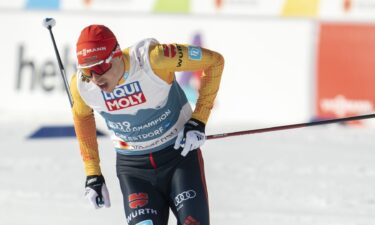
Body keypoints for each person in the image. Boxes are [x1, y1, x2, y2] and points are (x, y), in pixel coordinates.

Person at [70, 24, 224, 225]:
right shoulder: (82, 85)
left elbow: (214, 62)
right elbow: (82, 118)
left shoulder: (153, 60)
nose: (95, 78)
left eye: (100, 67)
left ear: (116, 54)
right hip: (134, 170)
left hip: (179, 159)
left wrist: (199, 120)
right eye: (88, 71)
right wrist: (93, 174)